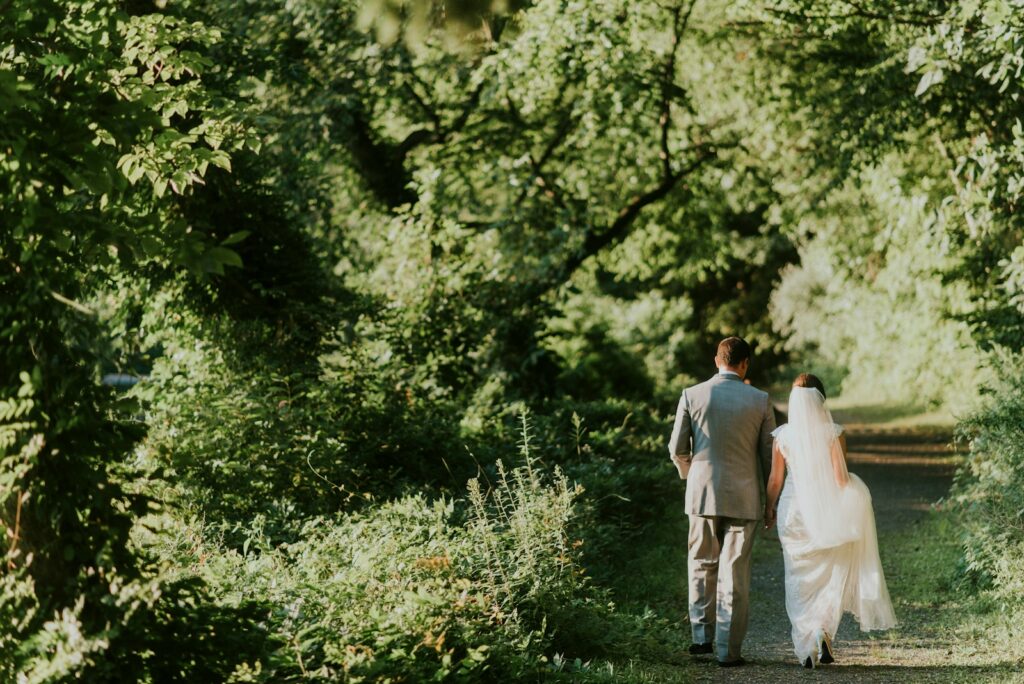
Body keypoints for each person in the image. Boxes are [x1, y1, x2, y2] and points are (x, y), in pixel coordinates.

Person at [764, 373, 897, 668]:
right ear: (822, 400)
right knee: (827, 575)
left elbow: (775, 479)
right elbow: (840, 478)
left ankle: (807, 641)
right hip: (825, 512)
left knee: (798, 577)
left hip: (793, 511)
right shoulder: (834, 433)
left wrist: (768, 509)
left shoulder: (783, 436)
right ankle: (822, 632)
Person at [668, 337, 776, 667]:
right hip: (745, 496)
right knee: (735, 570)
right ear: (745, 364)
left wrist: (691, 474)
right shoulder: (760, 400)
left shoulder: (692, 395)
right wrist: (770, 502)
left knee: (701, 562)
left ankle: (701, 638)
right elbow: (769, 458)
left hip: (701, 492)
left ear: (717, 360)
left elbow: (676, 448)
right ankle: (728, 650)